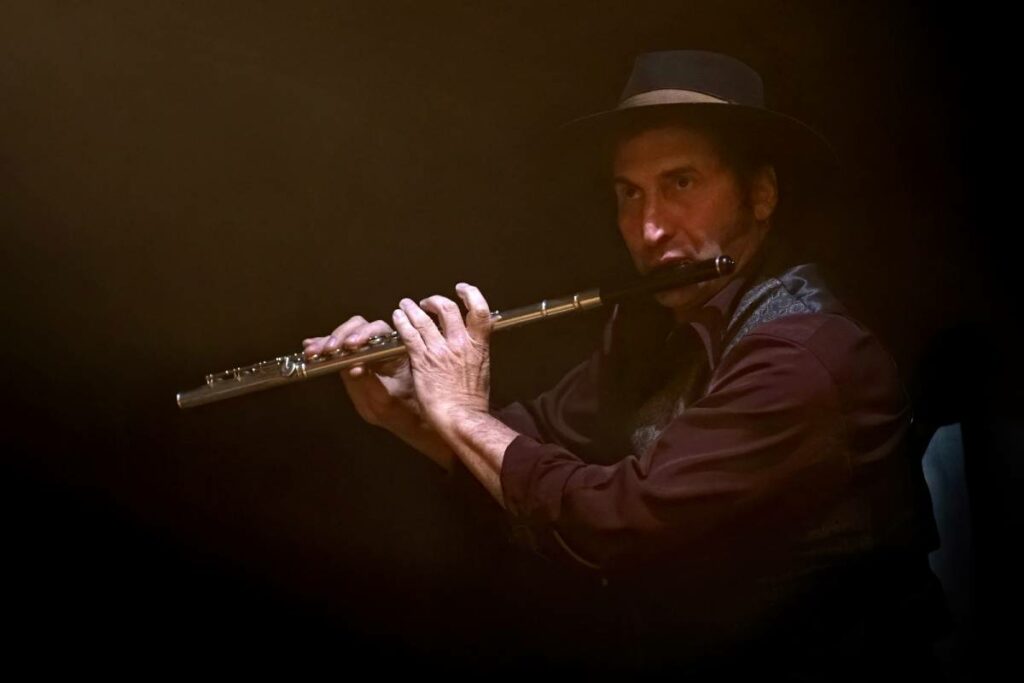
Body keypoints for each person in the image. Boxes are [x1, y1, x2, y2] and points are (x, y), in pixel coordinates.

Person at [302, 51, 949, 676]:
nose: (648, 229)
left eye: (681, 184)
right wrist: (413, 409)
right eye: (629, 194)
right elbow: (542, 440)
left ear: (761, 194)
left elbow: (621, 522)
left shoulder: (807, 358)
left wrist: (461, 416)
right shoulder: (653, 326)